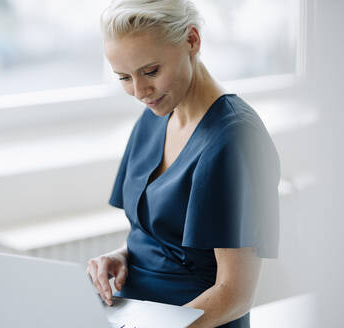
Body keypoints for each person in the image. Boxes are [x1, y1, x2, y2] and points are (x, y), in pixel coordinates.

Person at [85, 1, 280, 327]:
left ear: (192, 40)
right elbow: (161, 237)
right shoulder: (154, 117)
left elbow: (235, 294)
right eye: (124, 77)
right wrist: (121, 257)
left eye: (151, 72)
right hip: (134, 313)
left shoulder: (235, 139)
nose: (139, 91)